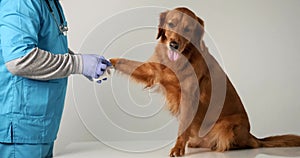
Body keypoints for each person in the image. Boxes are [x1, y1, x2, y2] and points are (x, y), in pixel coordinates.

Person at [0, 0, 111, 157]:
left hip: (41, 129)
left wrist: (82, 62)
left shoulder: (49, 3)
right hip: (21, 133)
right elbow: (19, 60)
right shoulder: (21, 2)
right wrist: (79, 64)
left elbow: (48, 46)